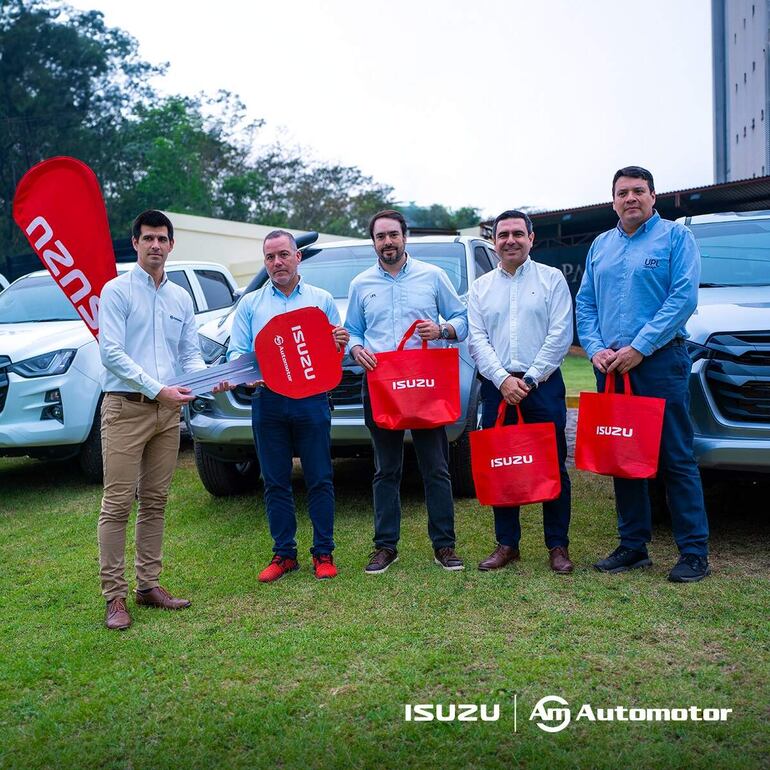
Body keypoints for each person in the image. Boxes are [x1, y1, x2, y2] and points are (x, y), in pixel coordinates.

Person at [575, 166, 710, 583]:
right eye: (623, 192)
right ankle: (633, 546)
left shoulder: (676, 238)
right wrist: (595, 349)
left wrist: (640, 347)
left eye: (638, 191)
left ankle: (694, 552)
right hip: (612, 368)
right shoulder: (601, 244)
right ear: (613, 201)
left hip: (660, 362)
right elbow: (585, 303)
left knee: (675, 457)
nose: (630, 198)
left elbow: (682, 298)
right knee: (622, 456)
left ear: (653, 196)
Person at [98, 209, 230, 631]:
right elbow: (111, 353)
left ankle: (148, 585)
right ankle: (115, 597)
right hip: (125, 408)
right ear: (135, 243)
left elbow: (189, 356)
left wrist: (208, 381)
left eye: (162, 238)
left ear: (171, 245)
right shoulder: (116, 291)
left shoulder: (179, 298)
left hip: (168, 412)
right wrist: (159, 389)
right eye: (148, 238)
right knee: (118, 504)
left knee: (155, 501)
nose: (155, 245)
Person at [346, 209, 468, 574]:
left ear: (405, 237)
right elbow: (353, 329)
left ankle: (444, 545)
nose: (387, 242)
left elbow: (462, 319)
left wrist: (442, 330)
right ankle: (385, 547)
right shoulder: (361, 284)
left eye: (393, 235)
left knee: (436, 468)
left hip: (425, 383)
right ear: (373, 242)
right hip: (382, 385)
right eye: (380, 237)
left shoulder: (433, 276)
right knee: (386, 470)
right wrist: (356, 348)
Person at [227, 230, 349, 583]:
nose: (277, 262)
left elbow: (334, 354)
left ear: (297, 257)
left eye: (283, 255)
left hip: (312, 400)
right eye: (270, 257)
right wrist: (246, 375)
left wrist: (339, 342)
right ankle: (284, 555)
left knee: (320, 478)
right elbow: (237, 352)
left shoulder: (320, 299)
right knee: (275, 481)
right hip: (268, 401)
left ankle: (323, 553)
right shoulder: (250, 304)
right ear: (265, 263)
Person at [468, 210, 574, 574]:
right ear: (494, 241)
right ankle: (507, 544)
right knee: (502, 463)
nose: (510, 240)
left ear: (531, 238)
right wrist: (502, 380)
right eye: (503, 235)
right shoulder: (480, 288)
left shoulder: (551, 279)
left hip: (542, 385)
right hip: (498, 388)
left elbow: (560, 334)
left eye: (517, 233)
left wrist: (529, 379)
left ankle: (557, 545)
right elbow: (477, 340)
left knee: (553, 464)